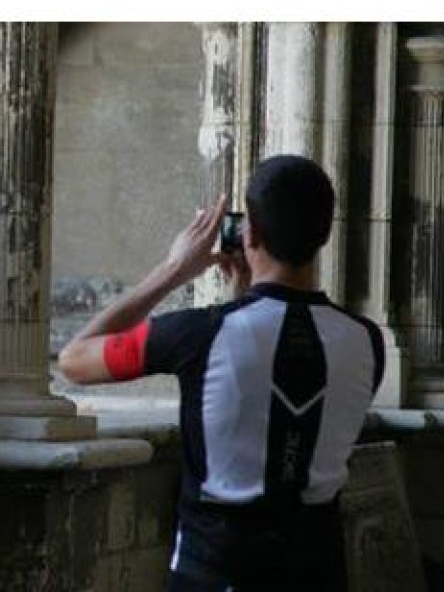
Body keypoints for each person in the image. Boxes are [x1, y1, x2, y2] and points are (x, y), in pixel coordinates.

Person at [57, 155, 384, 591]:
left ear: (250, 235)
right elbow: (289, 377)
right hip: (317, 571)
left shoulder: (201, 334)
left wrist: (173, 271)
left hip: (215, 570)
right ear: (323, 235)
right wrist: (243, 298)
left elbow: (75, 360)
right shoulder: (367, 342)